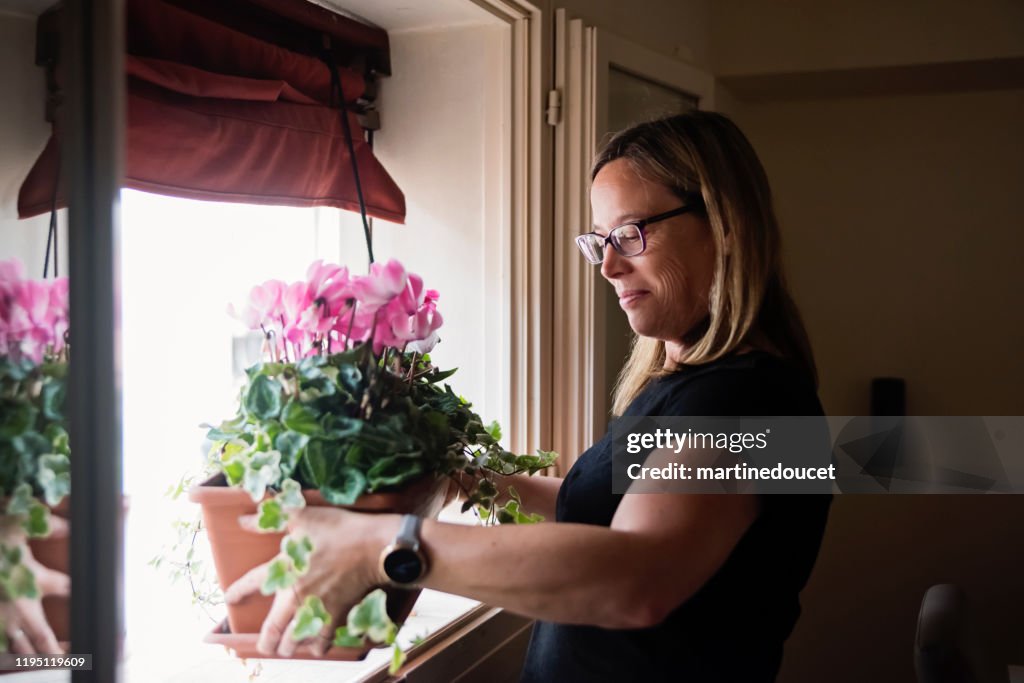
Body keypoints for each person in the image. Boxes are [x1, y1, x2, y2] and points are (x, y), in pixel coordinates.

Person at [225, 111, 832, 682]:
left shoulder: (754, 402)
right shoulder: (691, 388)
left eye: (630, 233)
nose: (609, 267)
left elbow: (637, 578)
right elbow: (600, 508)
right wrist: (463, 478)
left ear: (724, 226)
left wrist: (382, 546)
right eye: (600, 241)